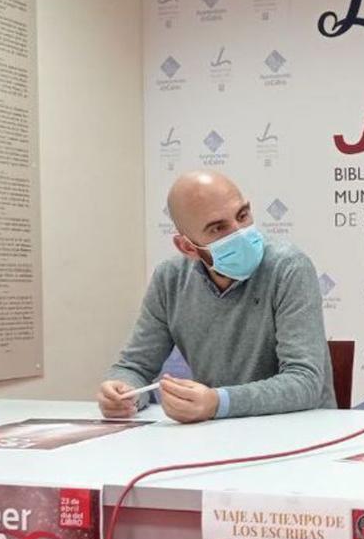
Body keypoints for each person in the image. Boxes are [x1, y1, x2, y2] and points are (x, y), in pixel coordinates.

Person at [98, 170, 335, 423]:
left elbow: (304, 383)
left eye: (242, 215)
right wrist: (123, 393)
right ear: (187, 247)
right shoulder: (170, 278)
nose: (240, 232)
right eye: (218, 228)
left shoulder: (288, 267)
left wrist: (217, 403)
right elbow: (135, 366)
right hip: (216, 433)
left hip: (300, 432)